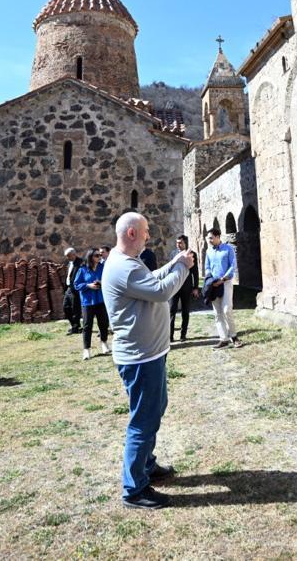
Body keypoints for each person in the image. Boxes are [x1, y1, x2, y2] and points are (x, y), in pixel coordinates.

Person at [102, 212, 192, 510]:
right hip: (140, 358)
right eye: (145, 231)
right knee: (143, 420)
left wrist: (175, 262)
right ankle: (134, 489)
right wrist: (184, 269)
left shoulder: (127, 263)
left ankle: (146, 466)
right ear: (131, 233)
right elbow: (162, 290)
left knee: (153, 411)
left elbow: (151, 279)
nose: (148, 235)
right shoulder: (124, 267)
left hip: (148, 354)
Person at [203, 228, 239, 349]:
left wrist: (222, 279)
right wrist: (210, 279)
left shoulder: (228, 249)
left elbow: (232, 265)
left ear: (218, 237)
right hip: (213, 285)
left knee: (226, 309)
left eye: (211, 238)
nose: (209, 240)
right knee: (217, 313)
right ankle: (223, 339)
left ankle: (234, 336)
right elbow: (207, 267)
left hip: (226, 283)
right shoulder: (208, 251)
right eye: (208, 238)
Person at [73, 248, 110, 360]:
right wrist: (88, 286)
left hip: (101, 300)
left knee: (103, 324)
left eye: (100, 255)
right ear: (90, 257)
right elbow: (76, 284)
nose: (99, 257)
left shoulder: (103, 267)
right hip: (87, 302)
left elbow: (109, 280)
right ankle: (86, 350)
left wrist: (101, 283)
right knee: (87, 326)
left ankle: (104, 343)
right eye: (97, 255)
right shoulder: (83, 270)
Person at [168, 236, 199, 342]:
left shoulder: (192, 254)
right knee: (171, 310)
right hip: (174, 287)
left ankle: (183, 335)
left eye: (180, 243)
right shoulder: (173, 254)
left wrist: (195, 287)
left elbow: (195, 272)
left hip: (186, 287)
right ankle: (170, 336)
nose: (178, 245)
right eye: (177, 243)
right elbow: (170, 270)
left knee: (185, 311)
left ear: (185, 243)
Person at [62, 247, 83, 334]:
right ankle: (74, 325)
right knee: (66, 307)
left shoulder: (81, 263)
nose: (67, 258)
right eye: (66, 256)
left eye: (69, 256)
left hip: (75, 289)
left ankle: (76, 327)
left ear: (74, 254)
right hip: (69, 288)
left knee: (75, 309)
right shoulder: (70, 263)